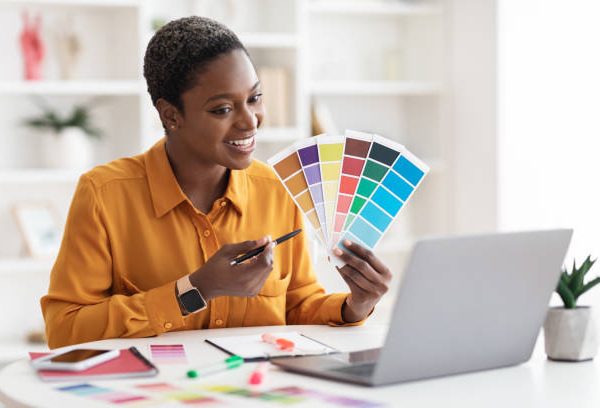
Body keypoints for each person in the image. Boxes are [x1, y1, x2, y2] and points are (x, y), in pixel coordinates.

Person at [41, 16, 392, 349]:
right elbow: (65, 329)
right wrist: (194, 290)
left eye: (254, 98)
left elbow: (297, 304)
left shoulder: (276, 190)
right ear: (171, 115)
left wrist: (354, 306)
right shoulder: (104, 195)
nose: (249, 121)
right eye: (223, 109)